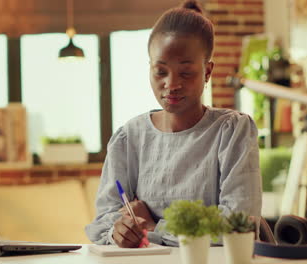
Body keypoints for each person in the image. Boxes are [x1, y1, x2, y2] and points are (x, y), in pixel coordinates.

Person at [85, 0, 262, 248]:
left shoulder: (231, 131)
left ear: (207, 72)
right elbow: (103, 222)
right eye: (160, 72)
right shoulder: (129, 137)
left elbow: (238, 225)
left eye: (186, 73)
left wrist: (154, 226)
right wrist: (120, 231)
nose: (172, 84)